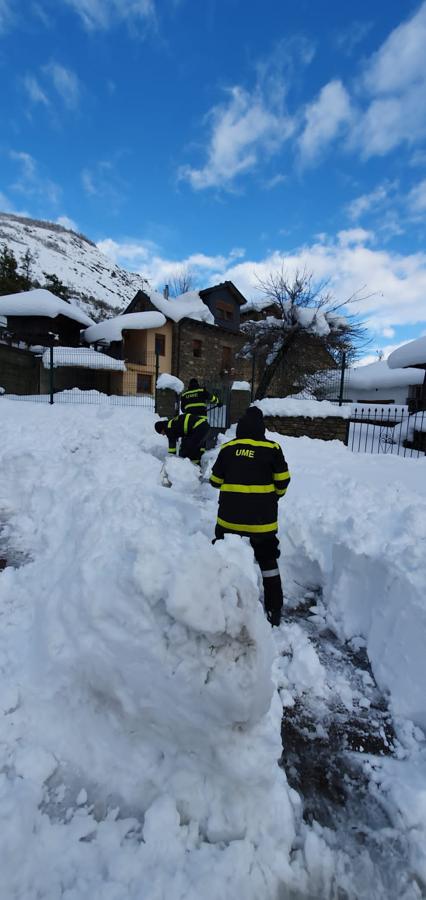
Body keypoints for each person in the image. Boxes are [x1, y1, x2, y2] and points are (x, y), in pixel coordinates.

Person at [209, 406, 290, 626]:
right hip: (262, 522)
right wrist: (273, 496)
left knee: (223, 559)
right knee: (268, 561)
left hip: (229, 520)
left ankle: (218, 604)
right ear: (261, 429)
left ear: (240, 429)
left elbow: (215, 481)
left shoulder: (229, 448)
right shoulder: (272, 448)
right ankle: (274, 610)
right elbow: (282, 481)